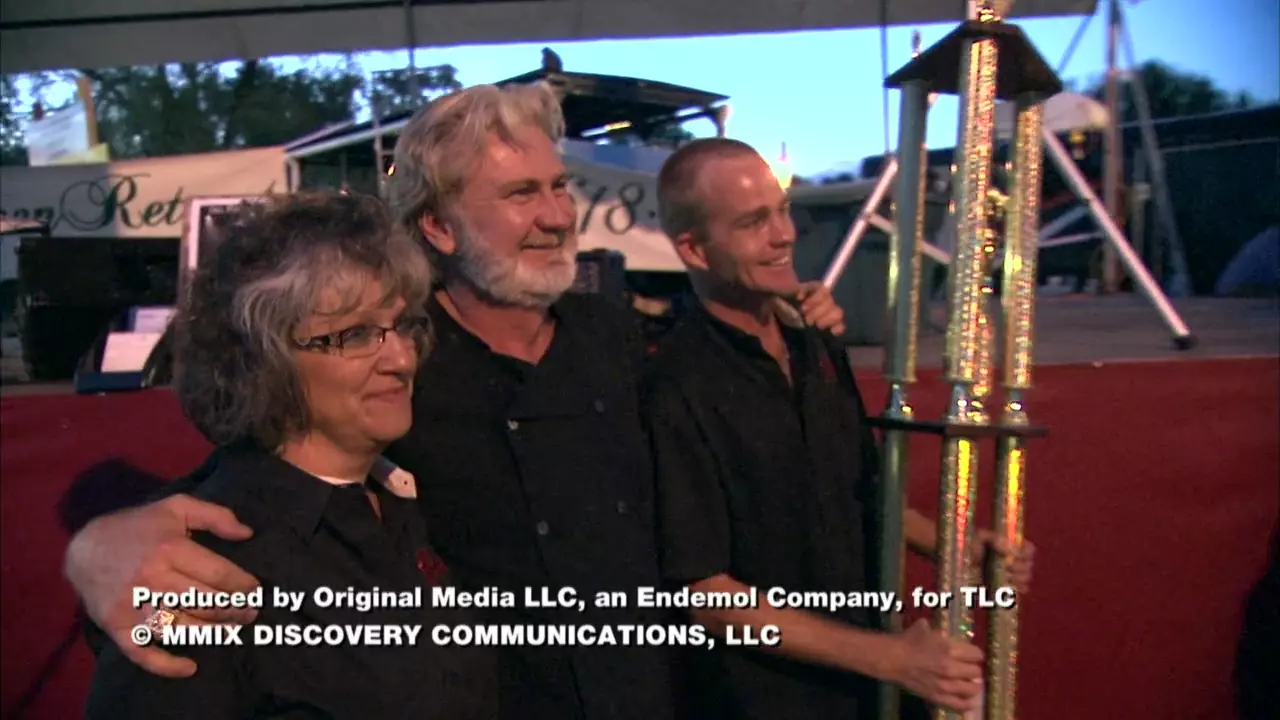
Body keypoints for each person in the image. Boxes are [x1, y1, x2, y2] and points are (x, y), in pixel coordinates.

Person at [61, 83, 847, 720]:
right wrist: (97, 548)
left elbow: (736, 451)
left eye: (558, 187)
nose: (556, 216)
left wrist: (785, 315)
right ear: (437, 226)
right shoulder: (392, 365)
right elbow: (262, 478)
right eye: (520, 194)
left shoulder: (610, 336)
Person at [642, 138, 1035, 719]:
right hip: (767, 701)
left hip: (865, 681)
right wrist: (889, 658)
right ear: (694, 250)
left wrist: (956, 549)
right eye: (752, 223)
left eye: (782, 211)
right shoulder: (673, 385)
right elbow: (703, 592)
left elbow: (861, 491)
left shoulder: (815, 342)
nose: (783, 235)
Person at [84, 191, 497, 718]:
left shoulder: (404, 500)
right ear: (265, 360)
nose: (401, 358)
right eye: (357, 334)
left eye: (404, 326)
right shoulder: (196, 572)